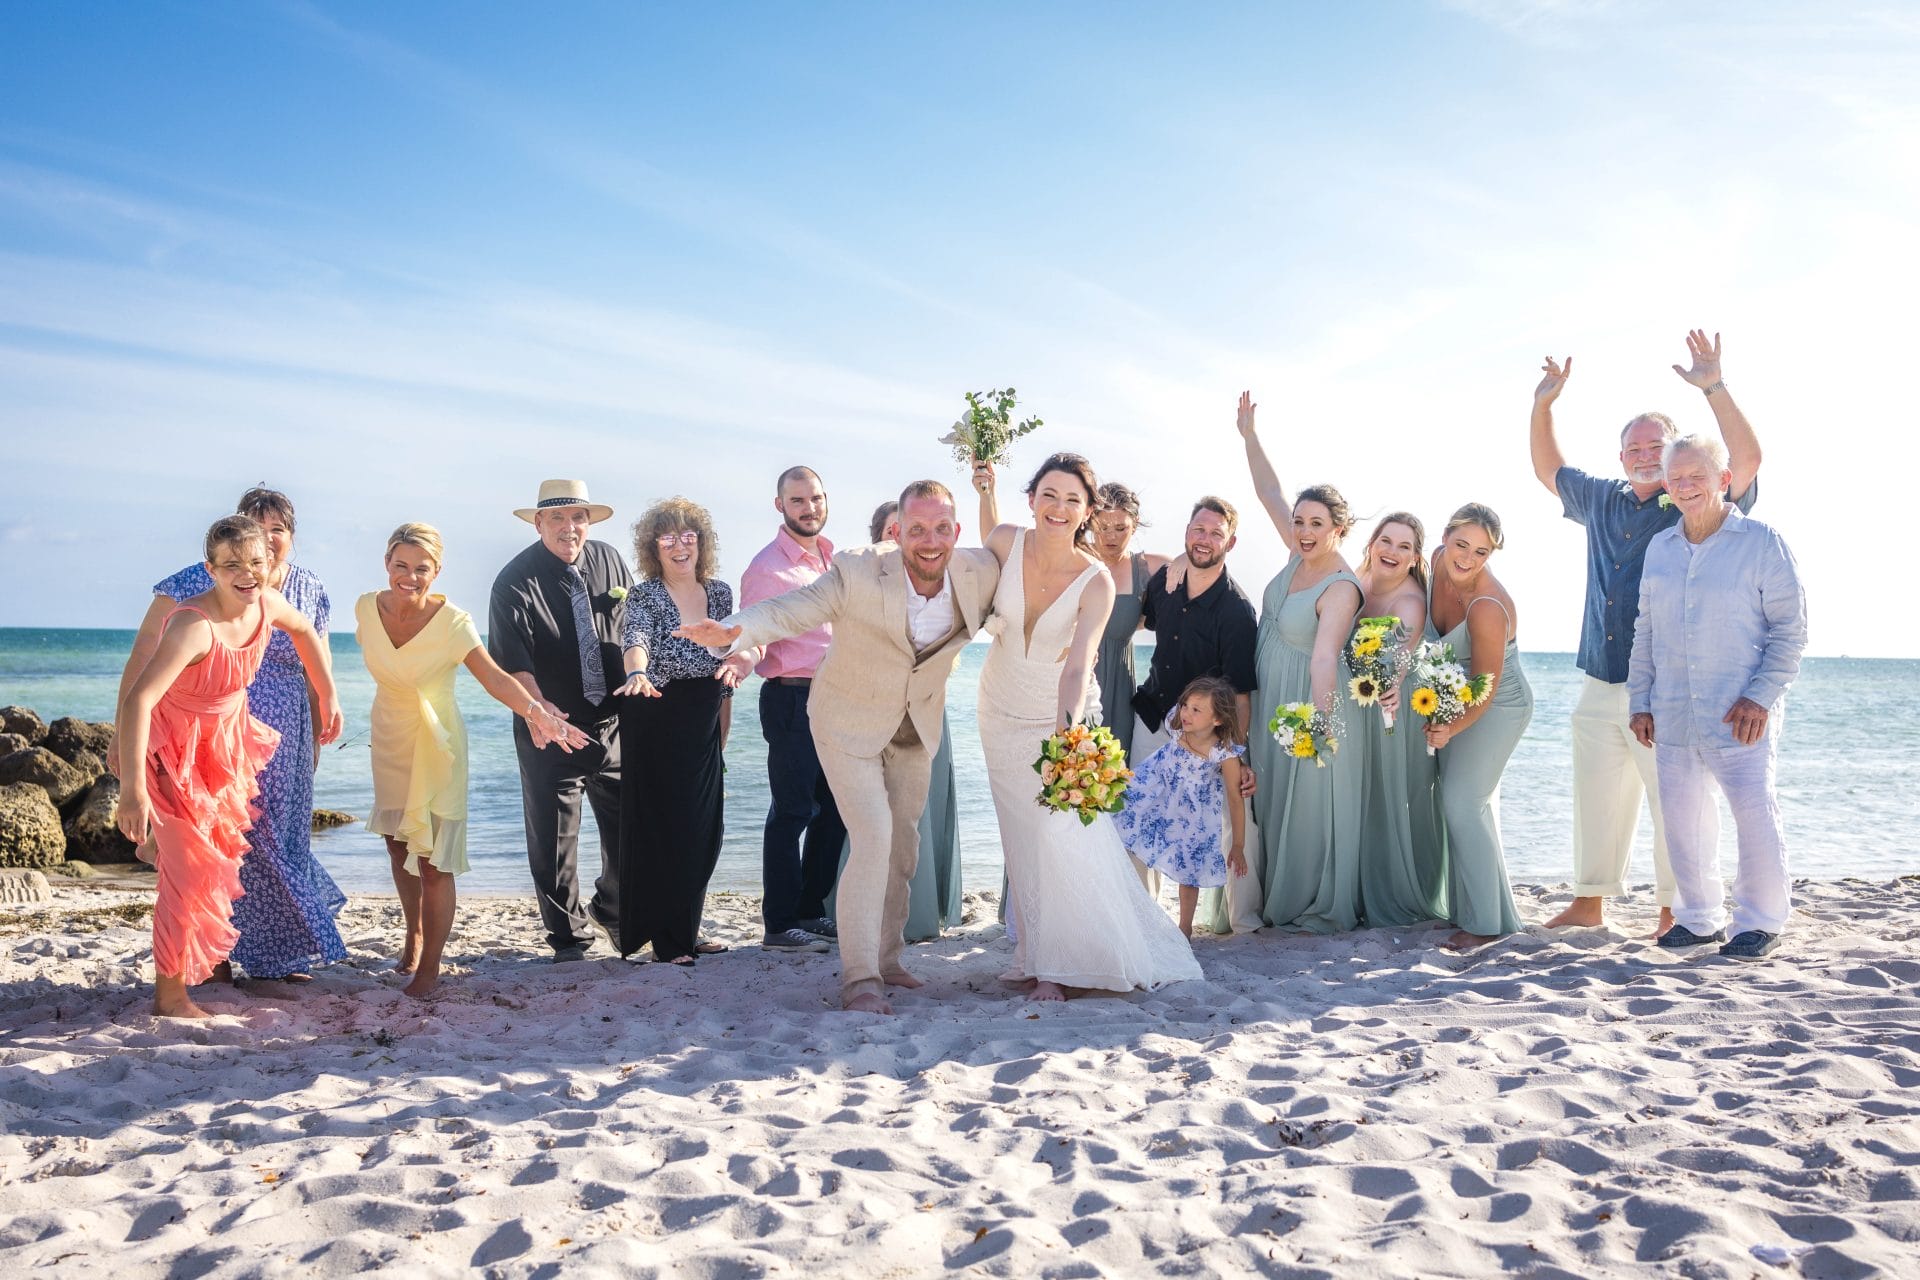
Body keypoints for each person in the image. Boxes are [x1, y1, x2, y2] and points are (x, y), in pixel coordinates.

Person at [677, 481, 998, 1014]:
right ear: (897, 532)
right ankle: (859, 979)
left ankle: (889, 959)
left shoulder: (978, 572)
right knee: (872, 838)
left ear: (957, 532)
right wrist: (732, 630)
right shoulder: (857, 569)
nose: (930, 540)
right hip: (845, 721)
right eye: (916, 529)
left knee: (903, 847)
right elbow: (792, 609)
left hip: (914, 727)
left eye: (942, 528)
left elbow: (1025, 597)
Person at [1530, 331, 1762, 934]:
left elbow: (1748, 461)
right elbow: (1548, 468)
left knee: (1673, 804)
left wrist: (1713, 387)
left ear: (1673, 457)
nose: (1642, 453)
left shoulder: (1692, 502)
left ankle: (1671, 910)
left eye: (1654, 444)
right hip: (1599, 678)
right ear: (1621, 456)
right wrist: (1544, 405)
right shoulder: (1603, 500)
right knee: (1597, 798)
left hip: (1665, 685)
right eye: (1632, 446)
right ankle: (1589, 903)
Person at [975, 451, 1202, 1000]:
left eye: (1072, 499)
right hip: (997, 706)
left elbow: (1079, 666)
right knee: (1021, 837)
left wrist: (1065, 735)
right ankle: (1031, 953)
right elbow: (976, 578)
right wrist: (984, 489)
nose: (1058, 507)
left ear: (1087, 512)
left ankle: (1059, 966)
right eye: (1048, 495)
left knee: (1061, 835)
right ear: (1031, 499)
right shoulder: (1006, 541)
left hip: (1057, 713)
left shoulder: (1096, 582)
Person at [112, 486, 347, 982]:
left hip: (277, 737)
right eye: (254, 526)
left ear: (288, 538)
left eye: (275, 530)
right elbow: (142, 667)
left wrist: (326, 704)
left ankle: (277, 959)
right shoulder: (196, 588)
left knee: (276, 846)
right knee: (229, 847)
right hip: (204, 733)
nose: (262, 540)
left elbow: (312, 649)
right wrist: (122, 741)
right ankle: (212, 960)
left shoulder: (299, 589)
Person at [358, 524, 588, 997]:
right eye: (400, 565)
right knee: (398, 845)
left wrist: (538, 713)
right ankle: (413, 933)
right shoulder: (365, 608)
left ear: (436, 572)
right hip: (389, 737)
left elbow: (496, 678)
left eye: (421, 569)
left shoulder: (453, 622)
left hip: (438, 747)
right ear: (387, 563)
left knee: (434, 862)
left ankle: (431, 969)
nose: (409, 576)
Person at [1630, 436, 1806, 959]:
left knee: (1754, 815)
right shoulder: (1660, 549)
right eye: (1677, 478)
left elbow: (1790, 632)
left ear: (1723, 479)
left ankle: (1761, 920)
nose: (1687, 487)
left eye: (1697, 476)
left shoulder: (1762, 543)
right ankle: (1698, 918)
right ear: (1666, 486)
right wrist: (1640, 699)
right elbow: (1644, 630)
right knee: (1683, 820)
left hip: (1740, 713)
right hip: (1673, 712)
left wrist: (1761, 697)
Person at [1207, 391, 1365, 937]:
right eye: (1300, 521)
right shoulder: (1298, 552)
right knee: (1265, 796)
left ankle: (1299, 900)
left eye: (1316, 523)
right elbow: (1268, 491)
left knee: (1303, 804)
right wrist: (1249, 434)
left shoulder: (1341, 584)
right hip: (1268, 690)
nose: (1303, 530)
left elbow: (1325, 658)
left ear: (1338, 529)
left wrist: (1321, 724)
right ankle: (1257, 894)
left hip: (1304, 697)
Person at [489, 480, 634, 962]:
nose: (569, 528)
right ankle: (569, 940)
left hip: (615, 721)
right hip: (549, 724)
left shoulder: (611, 559)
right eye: (557, 518)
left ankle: (612, 907)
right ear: (538, 523)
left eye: (578, 518)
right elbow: (513, 662)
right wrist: (538, 710)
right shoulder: (513, 581)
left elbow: (635, 625)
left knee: (630, 830)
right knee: (554, 843)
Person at [611, 498, 740, 965]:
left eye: (689, 535)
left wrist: (723, 723)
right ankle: (668, 942)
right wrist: (635, 674)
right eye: (668, 537)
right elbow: (636, 640)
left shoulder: (721, 593)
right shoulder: (646, 596)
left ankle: (686, 928)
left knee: (705, 831)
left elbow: (730, 656)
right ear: (654, 547)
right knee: (668, 830)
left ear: (701, 543)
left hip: (704, 718)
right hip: (657, 715)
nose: (680, 545)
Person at [974, 468, 1169, 763]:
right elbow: (1001, 548)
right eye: (1103, 526)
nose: (1110, 536)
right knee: (1053, 777)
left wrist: (1180, 564)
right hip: (1062, 680)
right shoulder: (1076, 559)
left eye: (1121, 528)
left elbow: (1200, 569)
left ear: (1135, 524)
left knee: (1107, 786)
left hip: (1116, 690)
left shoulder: (1148, 568)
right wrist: (987, 494)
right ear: (1090, 520)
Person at [834, 500, 963, 942]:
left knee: (917, 821)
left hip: (925, 714)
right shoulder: (864, 585)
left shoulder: (947, 585)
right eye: (899, 531)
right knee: (871, 826)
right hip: (868, 713)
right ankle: (863, 931)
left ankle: (922, 920)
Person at [735, 467, 845, 952]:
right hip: (791, 697)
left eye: (816, 498)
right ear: (780, 505)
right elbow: (753, 633)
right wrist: (736, 661)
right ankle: (779, 923)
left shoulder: (834, 559)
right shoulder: (766, 569)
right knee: (793, 812)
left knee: (836, 811)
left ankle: (810, 909)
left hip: (838, 700)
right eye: (798, 500)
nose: (810, 508)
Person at [1424, 505, 1532, 950]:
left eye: (1481, 552)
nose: (1466, 558)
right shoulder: (1434, 562)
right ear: (1445, 537)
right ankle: (1478, 910)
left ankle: (1486, 925)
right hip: (1455, 696)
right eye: (1461, 544)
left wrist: (1449, 727)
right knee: (1457, 801)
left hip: (1499, 704)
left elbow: (1486, 689)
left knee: (1463, 802)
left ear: (1492, 555)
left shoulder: (1489, 607)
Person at [1352, 512, 1449, 926]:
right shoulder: (1358, 578)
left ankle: (1400, 890)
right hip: (1361, 694)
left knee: (1393, 794)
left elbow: (1401, 657)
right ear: (1372, 543)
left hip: (1396, 702)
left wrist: (1388, 686)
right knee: (1365, 794)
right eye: (1386, 541)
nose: (1391, 551)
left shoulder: (1410, 601)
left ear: (1414, 559)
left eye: (1404, 546)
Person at [1113, 677, 1248, 939]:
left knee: (1190, 869)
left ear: (1218, 719)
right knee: (1123, 826)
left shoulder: (1224, 753)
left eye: (1196, 710)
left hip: (1192, 815)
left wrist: (1239, 845)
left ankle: (1184, 927)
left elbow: (1234, 798)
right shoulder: (1177, 722)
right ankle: (1127, 908)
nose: (1186, 713)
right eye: (1185, 705)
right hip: (1155, 794)